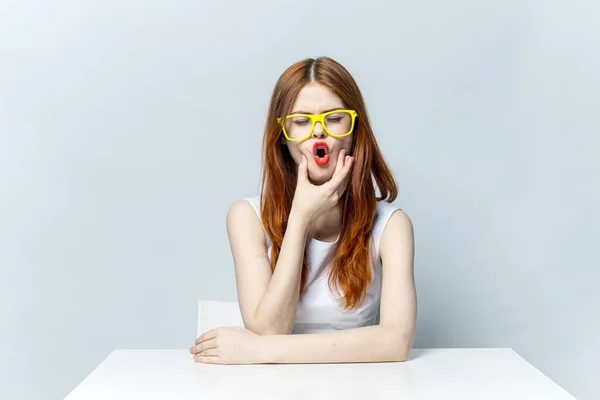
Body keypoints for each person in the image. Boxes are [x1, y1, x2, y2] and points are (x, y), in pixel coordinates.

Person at [190, 56, 416, 364]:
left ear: (354, 130)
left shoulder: (392, 227)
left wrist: (257, 350)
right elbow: (270, 328)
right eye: (301, 121)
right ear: (283, 137)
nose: (318, 132)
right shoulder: (246, 217)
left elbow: (395, 342)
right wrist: (300, 218)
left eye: (334, 118)